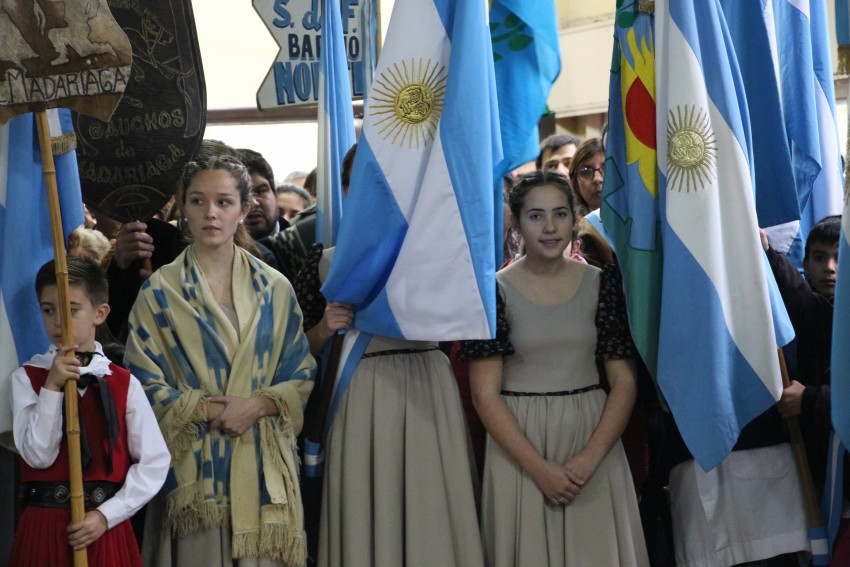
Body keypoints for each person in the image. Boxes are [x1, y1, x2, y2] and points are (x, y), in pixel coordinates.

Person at [124, 156, 316, 567]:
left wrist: (255, 406)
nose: (211, 213)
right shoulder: (158, 293)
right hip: (193, 474)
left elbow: (300, 372)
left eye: (224, 202)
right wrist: (216, 409)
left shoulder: (274, 288)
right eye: (198, 200)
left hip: (264, 469)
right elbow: (141, 387)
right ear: (182, 206)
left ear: (244, 209)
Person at [458, 171, 648, 567]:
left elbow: (624, 382)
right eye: (536, 216)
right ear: (516, 221)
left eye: (560, 214)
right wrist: (539, 468)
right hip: (519, 447)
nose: (549, 227)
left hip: (593, 439)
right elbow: (483, 394)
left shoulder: (604, 284)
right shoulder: (491, 291)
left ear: (575, 218)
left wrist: (589, 459)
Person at [295, 251, 485, 566]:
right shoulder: (321, 261)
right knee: (368, 511)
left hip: (429, 389)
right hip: (362, 396)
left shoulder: (439, 248)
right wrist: (323, 329)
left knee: (432, 512)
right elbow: (294, 353)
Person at [9, 256, 170, 567]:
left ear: (100, 313)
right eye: (48, 310)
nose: (59, 322)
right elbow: (38, 455)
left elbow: (154, 463)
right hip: (45, 528)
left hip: (103, 530)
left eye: (72, 310)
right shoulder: (27, 378)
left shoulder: (124, 383)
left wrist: (105, 516)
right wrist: (52, 389)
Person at [764, 216, 848, 564]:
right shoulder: (813, 311)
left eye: (838, 256)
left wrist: (810, 399)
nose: (829, 268)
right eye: (818, 257)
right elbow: (803, 304)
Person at [238, 148, 286, 238]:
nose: (253, 203)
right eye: (243, 195)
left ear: (274, 193)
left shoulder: (303, 245)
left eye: (260, 191)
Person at [568, 138, 606, 216]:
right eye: (586, 172)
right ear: (576, 184)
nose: (597, 179)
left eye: (607, 169)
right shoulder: (570, 226)